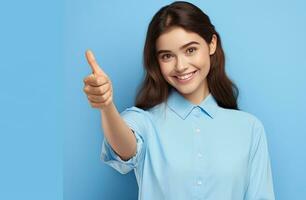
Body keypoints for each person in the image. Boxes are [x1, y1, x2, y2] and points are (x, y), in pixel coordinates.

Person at [82, 1, 275, 199]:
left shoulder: (250, 129)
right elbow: (124, 146)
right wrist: (106, 106)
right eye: (167, 56)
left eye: (190, 50)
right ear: (157, 61)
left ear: (211, 44)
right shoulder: (145, 122)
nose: (181, 66)